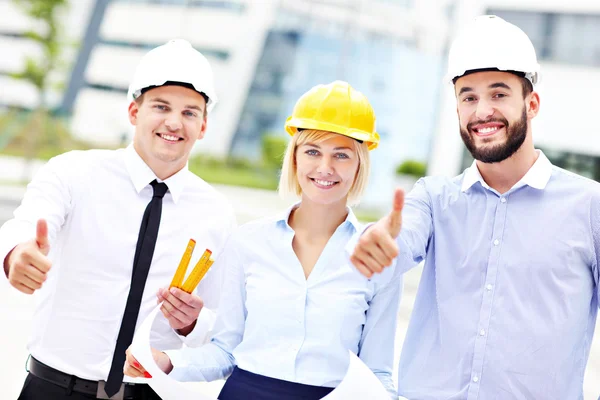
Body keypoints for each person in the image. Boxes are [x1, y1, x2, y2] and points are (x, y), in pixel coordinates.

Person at [349, 15, 600, 400]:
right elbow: (399, 238)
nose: (482, 111)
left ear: (531, 103)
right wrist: (376, 241)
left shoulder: (589, 207)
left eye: (498, 94)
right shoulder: (433, 199)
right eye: (469, 97)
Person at [123, 81, 402, 399]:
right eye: (312, 151)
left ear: (360, 164)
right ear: (295, 158)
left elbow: (377, 373)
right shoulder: (249, 242)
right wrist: (166, 361)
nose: (325, 168)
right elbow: (226, 353)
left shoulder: (378, 255)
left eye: (342, 155)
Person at [0, 39, 236, 400]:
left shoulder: (216, 213)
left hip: (148, 392)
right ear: (133, 111)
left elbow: (222, 329)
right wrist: (18, 254)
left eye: (190, 112)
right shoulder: (74, 172)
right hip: (54, 388)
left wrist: (191, 324)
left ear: (203, 126)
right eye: (161, 106)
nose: (175, 122)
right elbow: (24, 225)